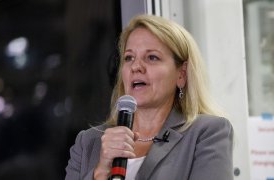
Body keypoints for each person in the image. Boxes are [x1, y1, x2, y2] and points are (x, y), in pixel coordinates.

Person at [65, 14, 233, 180]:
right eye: (129, 58)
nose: (136, 67)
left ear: (181, 74)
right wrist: (99, 174)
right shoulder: (88, 142)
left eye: (152, 57)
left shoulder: (207, 133)